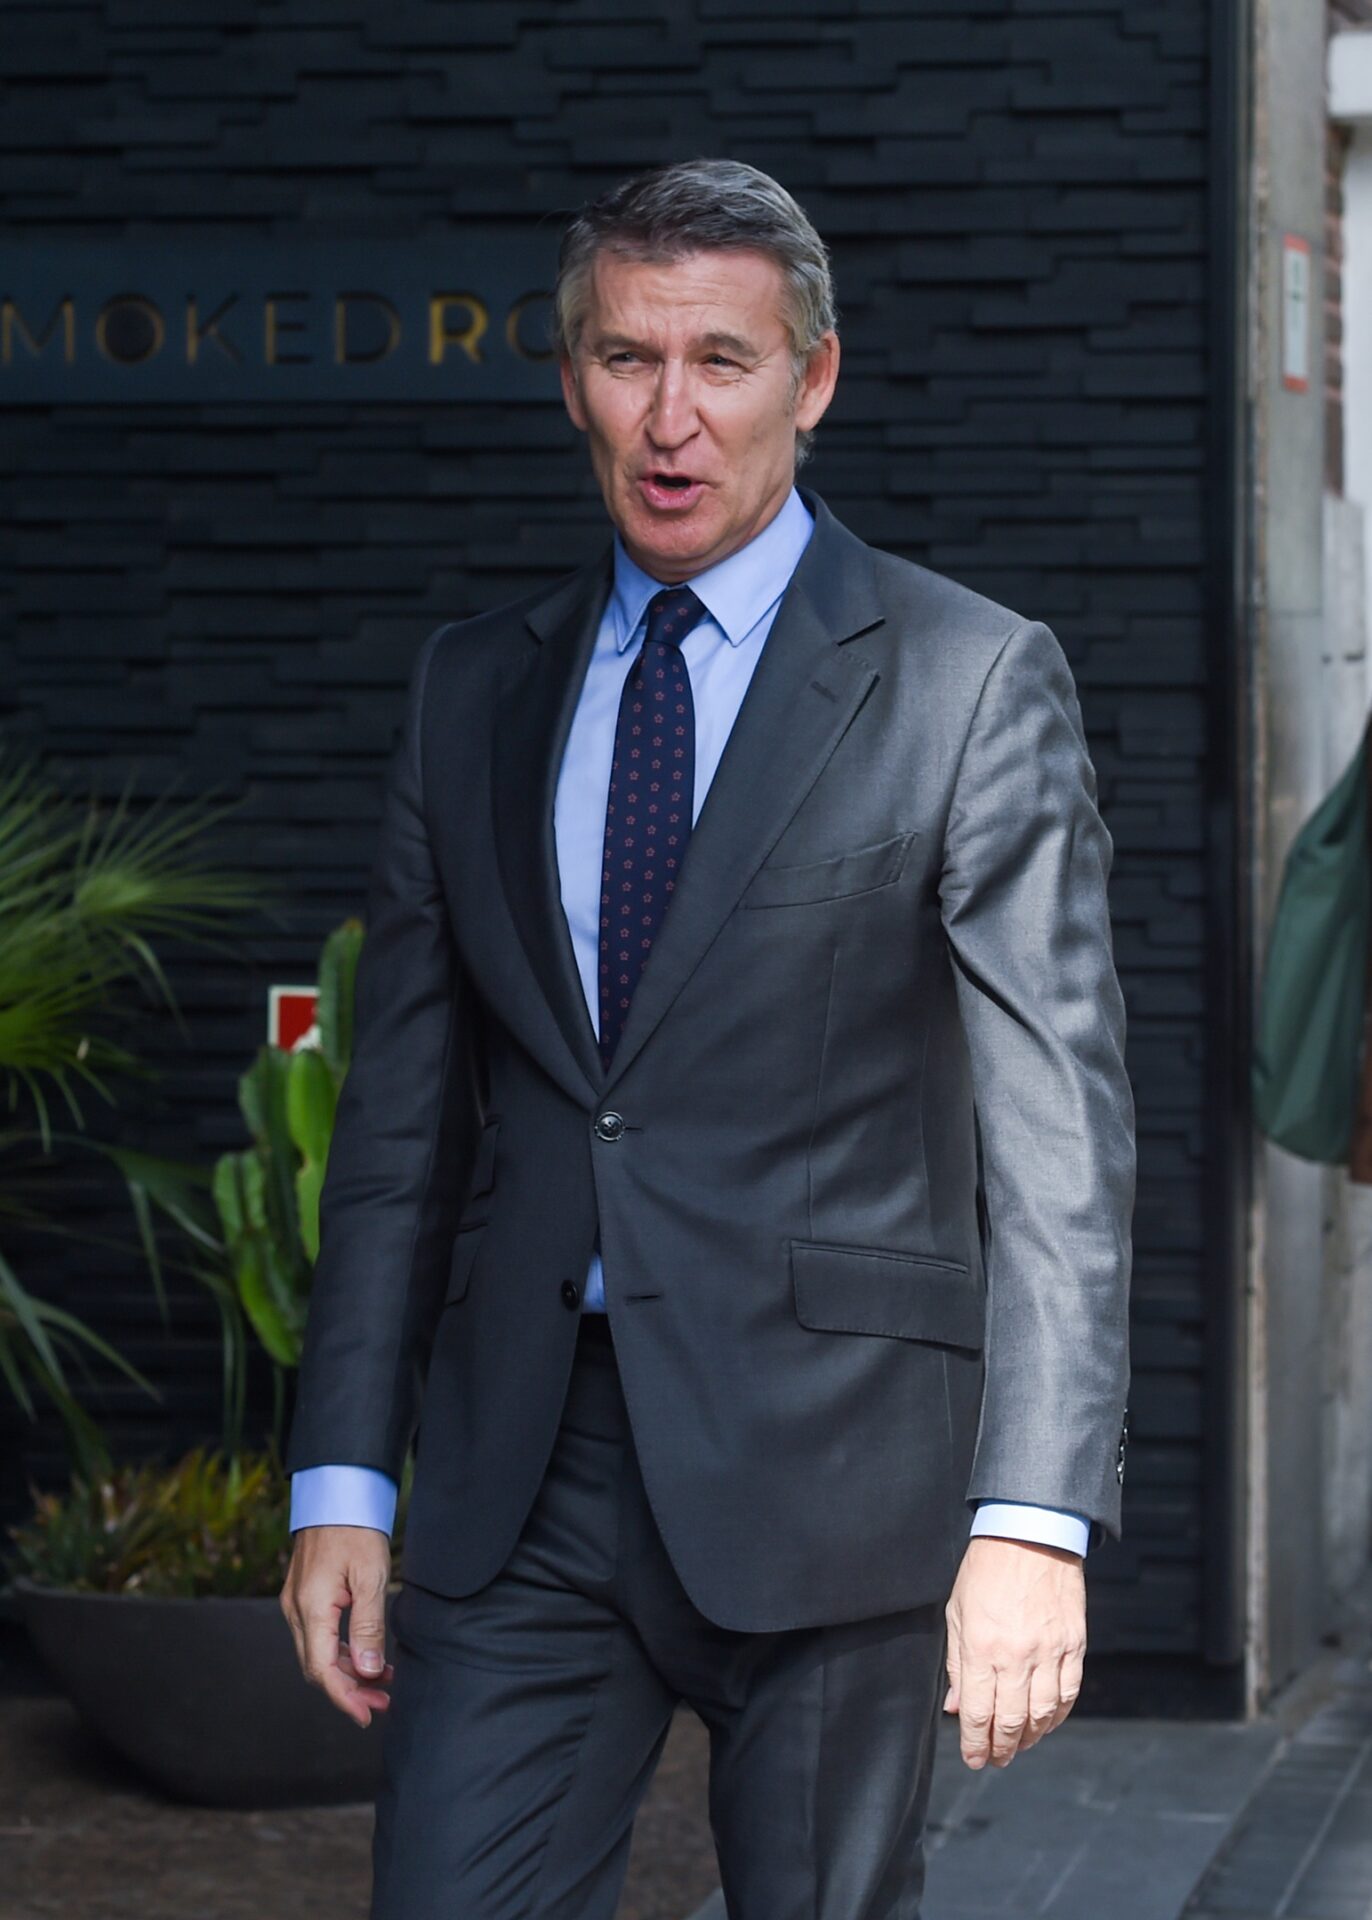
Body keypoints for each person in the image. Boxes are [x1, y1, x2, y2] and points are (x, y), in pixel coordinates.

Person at [279, 157, 1135, 1920]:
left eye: (722, 362)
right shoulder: (472, 690)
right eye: (628, 358)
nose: (671, 419)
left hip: (839, 1476)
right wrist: (343, 1478)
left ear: (812, 380)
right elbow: (399, 1130)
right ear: (571, 376)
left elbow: (1061, 1143)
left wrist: (1032, 1520)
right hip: (527, 1475)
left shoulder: (967, 680)